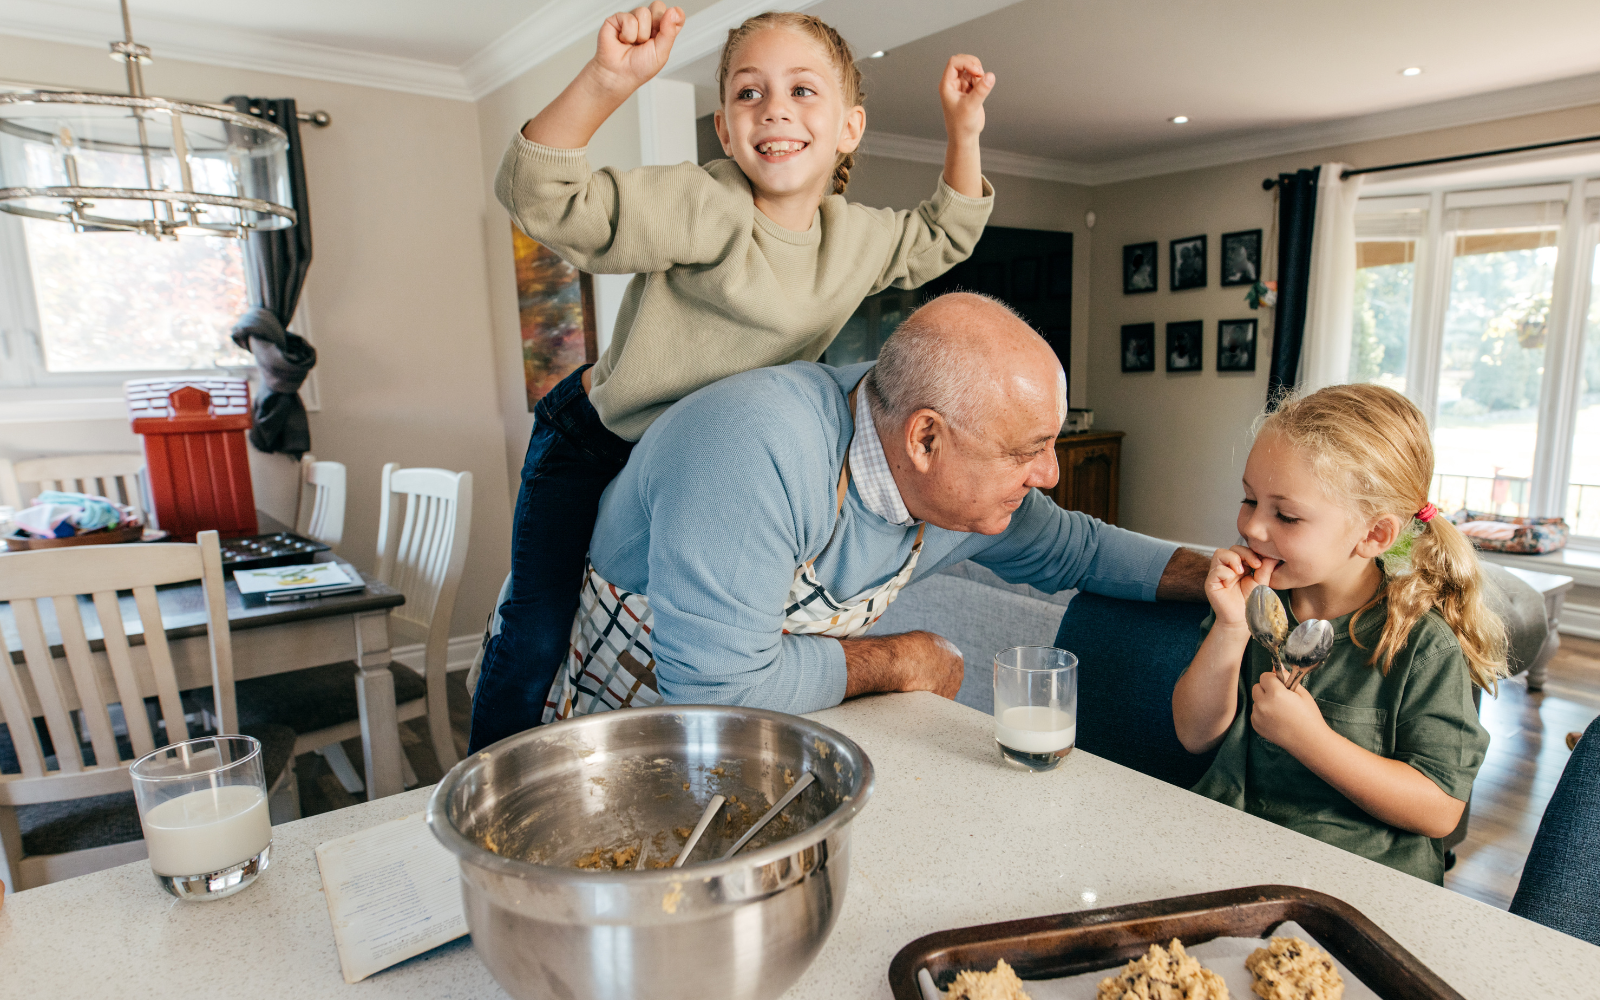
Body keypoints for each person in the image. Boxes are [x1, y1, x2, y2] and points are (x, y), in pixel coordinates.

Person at [470, 4, 998, 752]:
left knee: (705, 636)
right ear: (724, 129)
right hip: (597, 442)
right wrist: (607, 79)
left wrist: (963, 131)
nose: (774, 108)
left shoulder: (857, 239)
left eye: (803, 90)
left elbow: (947, 232)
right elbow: (543, 197)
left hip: (710, 470)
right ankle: (487, 787)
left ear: (850, 127)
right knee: (537, 625)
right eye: (749, 92)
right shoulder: (702, 204)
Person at [540, 293, 1210, 720]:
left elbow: (1080, 548)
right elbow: (718, 696)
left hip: (763, 735)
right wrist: (899, 659)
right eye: (1026, 451)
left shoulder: (961, 495)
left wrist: (1222, 572)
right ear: (925, 438)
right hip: (618, 722)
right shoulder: (755, 446)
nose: (1051, 474)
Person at [1172, 384, 1509, 884]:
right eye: (1249, 499)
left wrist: (1311, 740)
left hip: (1360, 883)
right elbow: (1194, 735)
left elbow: (1439, 809)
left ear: (1374, 535)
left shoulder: (1420, 645)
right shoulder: (1258, 603)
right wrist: (1230, 626)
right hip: (1233, 853)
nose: (1252, 527)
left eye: (1285, 515)